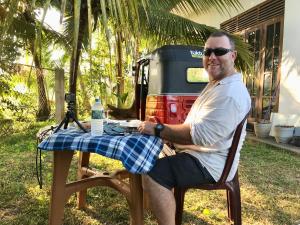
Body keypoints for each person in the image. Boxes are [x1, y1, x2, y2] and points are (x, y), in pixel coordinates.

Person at [137, 31, 251, 225]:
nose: (212, 57)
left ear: (232, 56)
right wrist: (166, 134)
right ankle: (158, 206)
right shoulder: (217, 84)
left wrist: (157, 129)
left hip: (209, 163)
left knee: (152, 173)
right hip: (200, 153)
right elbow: (193, 126)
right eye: (208, 52)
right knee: (146, 157)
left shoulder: (230, 93)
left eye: (219, 51)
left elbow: (197, 136)